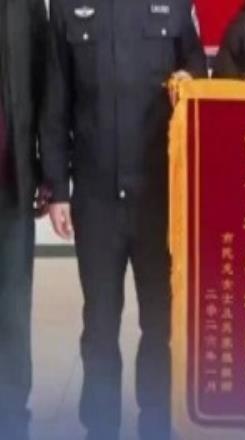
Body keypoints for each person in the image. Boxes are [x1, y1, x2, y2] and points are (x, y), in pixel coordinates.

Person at [40, 1, 206, 439]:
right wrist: (58, 187)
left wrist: (190, 80)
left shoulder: (176, 5)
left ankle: (156, 424)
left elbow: (196, 70)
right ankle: (100, 428)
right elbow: (56, 100)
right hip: (96, 200)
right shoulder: (68, 8)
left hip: (158, 198)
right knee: (99, 327)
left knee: (159, 324)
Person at [0, 1, 47, 439]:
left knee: (13, 307)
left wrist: (48, 173)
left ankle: (14, 414)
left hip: (9, 181)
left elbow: (44, 82)